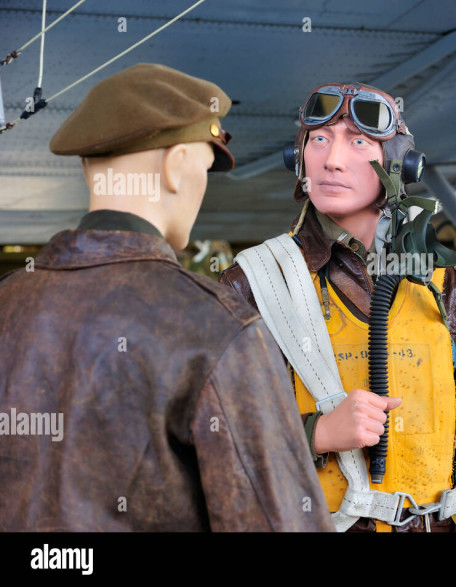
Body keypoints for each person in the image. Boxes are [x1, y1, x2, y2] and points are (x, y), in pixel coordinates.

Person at [0, 63, 333, 531]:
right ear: (176, 167)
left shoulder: (8, 302)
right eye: (202, 166)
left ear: (85, 166)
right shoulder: (218, 327)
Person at [220, 82, 456, 532]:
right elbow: (207, 433)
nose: (333, 159)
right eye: (319, 139)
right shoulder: (256, 282)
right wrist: (313, 433)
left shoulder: (452, 287)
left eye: (358, 142)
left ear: (399, 164)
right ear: (298, 159)